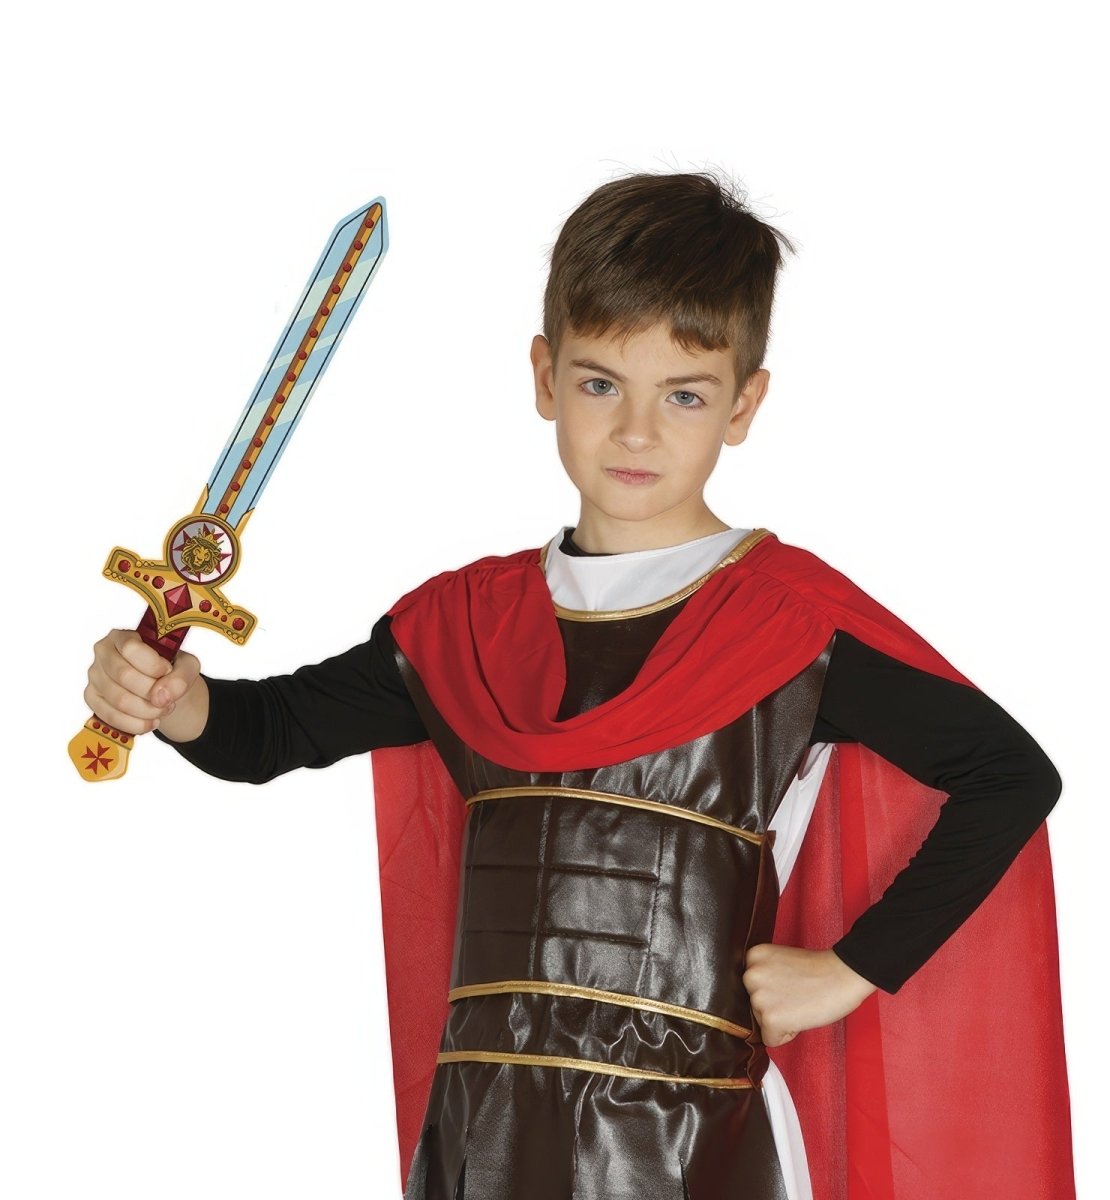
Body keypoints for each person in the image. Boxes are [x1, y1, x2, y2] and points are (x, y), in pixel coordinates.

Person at [82, 172, 1074, 1200]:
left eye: (683, 394)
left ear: (743, 404)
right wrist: (170, 699)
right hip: (486, 1133)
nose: (637, 431)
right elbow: (267, 733)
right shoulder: (469, 628)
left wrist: (851, 969)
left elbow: (1010, 775)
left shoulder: (784, 625)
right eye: (602, 384)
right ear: (545, 377)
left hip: (689, 1141)